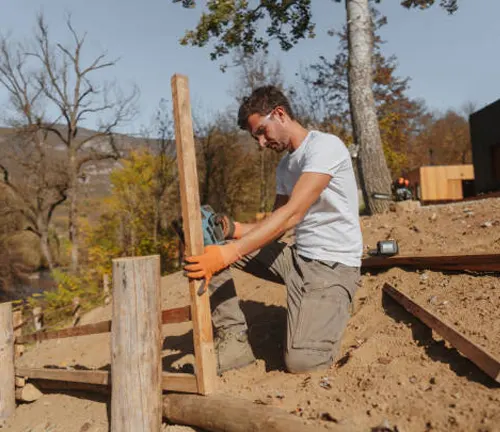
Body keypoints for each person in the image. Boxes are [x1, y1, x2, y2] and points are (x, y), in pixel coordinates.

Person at [184, 86, 363, 374]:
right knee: (209, 237)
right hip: (297, 260)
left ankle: (332, 305)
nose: (261, 143)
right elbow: (275, 225)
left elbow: (292, 215)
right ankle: (233, 341)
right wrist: (232, 230)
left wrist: (228, 253)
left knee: (302, 363)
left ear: (279, 114)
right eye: (256, 137)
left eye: (262, 132)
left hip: (332, 269)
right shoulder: (284, 167)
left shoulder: (325, 147)